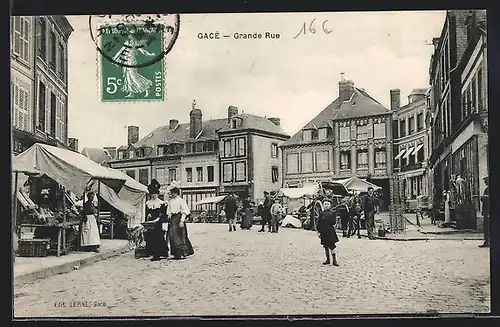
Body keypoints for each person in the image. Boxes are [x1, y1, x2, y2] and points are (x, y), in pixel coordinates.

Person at [166, 186, 194, 259]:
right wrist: (169, 215)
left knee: (180, 236)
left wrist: (182, 221)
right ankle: (176, 253)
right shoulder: (170, 201)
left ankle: (182, 253)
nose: (172, 194)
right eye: (172, 192)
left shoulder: (181, 201)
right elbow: (169, 209)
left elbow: (184, 211)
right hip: (173, 219)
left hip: (179, 218)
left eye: (174, 192)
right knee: (172, 236)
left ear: (177, 193)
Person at [145, 180, 169, 261]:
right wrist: (148, 215)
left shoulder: (161, 203)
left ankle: (158, 254)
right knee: (150, 237)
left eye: (155, 194)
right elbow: (147, 213)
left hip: (158, 222)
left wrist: (159, 218)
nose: (153, 195)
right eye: (152, 194)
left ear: (157, 194)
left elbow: (164, 214)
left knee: (158, 237)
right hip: (150, 223)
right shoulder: (148, 203)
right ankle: (151, 252)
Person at [316, 199, 339, 266]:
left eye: (327, 204)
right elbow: (319, 223)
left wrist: (329, 218)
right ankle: (327, 260)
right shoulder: (321, 213)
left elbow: (333, 222)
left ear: (330, 205)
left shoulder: (332, 213)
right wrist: (318, 232)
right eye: (325, 204)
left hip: (330, 231)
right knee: (325, 246)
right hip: (323, 232)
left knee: (332, 246)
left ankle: (334, 260)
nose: (326, 206)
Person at [479, 176, 490, 248]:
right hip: (486, 212)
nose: (485, 182)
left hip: (489, 212)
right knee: (486, 227)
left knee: (488, 227)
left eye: (486, 181)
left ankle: (488, 241)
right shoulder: (486, 189)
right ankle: (486, 241)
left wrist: (485, 198)